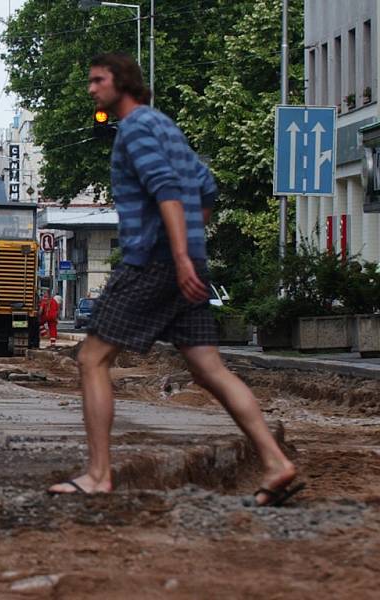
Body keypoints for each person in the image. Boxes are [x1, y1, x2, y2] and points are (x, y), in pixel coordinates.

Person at [49, 53, 301, 508]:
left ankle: (98, 474)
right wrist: (192, 250)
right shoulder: (165, 125)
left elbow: (164, 188)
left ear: (121, 83)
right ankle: (274, 461)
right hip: (185, 263)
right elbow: (206, 189)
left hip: (154, 262)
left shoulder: (135, 129)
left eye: (97, 80)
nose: (91, 89)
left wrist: (178, 255)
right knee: (208, 368)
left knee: (91, 358)